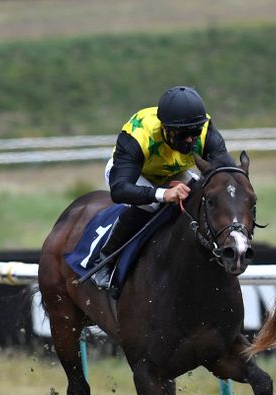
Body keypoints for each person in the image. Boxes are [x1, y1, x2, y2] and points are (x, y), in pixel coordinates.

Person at [91, 85, 230, 289]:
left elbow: (224, 173)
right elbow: (120, 190)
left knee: (198, 198)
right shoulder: (138, 134)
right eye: (183, 134)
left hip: (171, 172)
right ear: (165, 128)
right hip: (134, 174)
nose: (191, 138)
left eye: (195, 131)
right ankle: (106, 259)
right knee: (152, 206)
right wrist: (163, 194)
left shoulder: (206, 129)